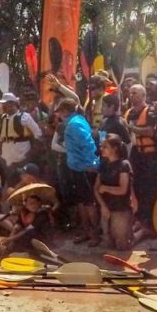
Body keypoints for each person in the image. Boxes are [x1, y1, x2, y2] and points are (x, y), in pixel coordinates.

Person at [55, 98, 100, 245]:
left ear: (65, 111)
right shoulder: (74, 122)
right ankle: (86, 231)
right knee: (81, 202)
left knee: (88, 203)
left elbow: (88, 144)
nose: (59, 115)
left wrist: (91, 164)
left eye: (60, 112)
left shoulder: (74, 124)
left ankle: (95, 235)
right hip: (75, 167)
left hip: (83, 168)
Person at [125, 84, 157, 242]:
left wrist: (131, 128)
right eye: (130, 93)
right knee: (137, 189)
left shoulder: (150, 111)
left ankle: (151, 226)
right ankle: (141, 220)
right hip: (135, 154)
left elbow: (150, 131)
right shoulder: (128, 112)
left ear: (143, 95)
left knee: (150, 191)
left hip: (150, 155)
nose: (132, 95)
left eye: (135, 93)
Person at [95, 133, 134, 250]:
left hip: (120, 208)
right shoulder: (103, 165)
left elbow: (122, 190)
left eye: (105, 146)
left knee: (122, 246)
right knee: (108, 244)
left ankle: (140, 233)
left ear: (115, 148)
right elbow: (96, 189)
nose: (101, 149)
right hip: (106, 208)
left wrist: (106, 188)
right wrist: (103, 206)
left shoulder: (124, 165)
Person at [0, 92, 43, 180]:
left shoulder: (25, 117)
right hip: (6, 156)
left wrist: (31, 153)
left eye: (6, 104)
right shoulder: (1, 119)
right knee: (9, 181)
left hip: (22, 154)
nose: (3, 106)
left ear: (12, 104)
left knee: (23, 180)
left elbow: (38, 133)